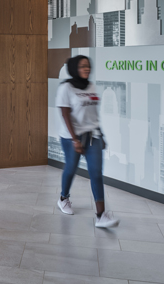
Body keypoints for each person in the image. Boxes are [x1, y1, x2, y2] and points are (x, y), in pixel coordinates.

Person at [55, 55, 119, 228]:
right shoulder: (66, 88)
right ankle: (63, 198)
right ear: (75, 68)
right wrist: (75, 139)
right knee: (71, 169)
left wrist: (101, 134)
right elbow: (65, 114)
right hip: (71, 137)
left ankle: (101, 215)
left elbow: (93, 114)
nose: (87, 69)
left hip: (92, 136)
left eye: (88, 66)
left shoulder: (91, 86)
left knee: (96, 173)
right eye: (83, 66)